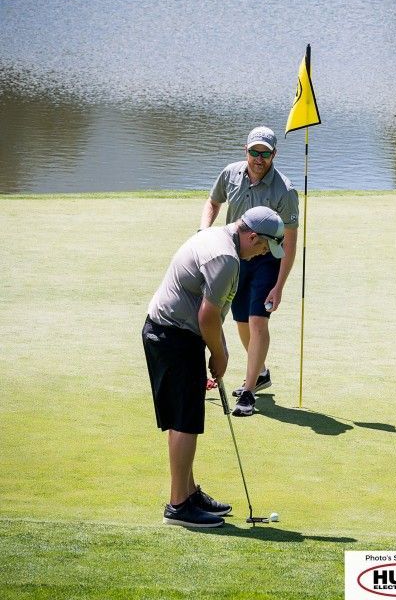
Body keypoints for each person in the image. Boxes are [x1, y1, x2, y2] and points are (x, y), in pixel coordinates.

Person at [142, 206, 285, 531]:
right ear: (252, 236)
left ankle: (188, 493)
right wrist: (220, 356)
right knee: (185, 421)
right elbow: (207, 316)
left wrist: (216, 347)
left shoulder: (218, 238)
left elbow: (211, 310)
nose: (262, 254)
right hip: (173, 335)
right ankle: (178, 505)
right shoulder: (226, 259)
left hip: (174, 332)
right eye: (264, 247)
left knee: (185, 417)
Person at [200, 125, 298, 417]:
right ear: (246, 151)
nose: (259, 158)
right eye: (254, 152)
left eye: (265, 154)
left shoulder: (285, 191)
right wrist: (205, 232)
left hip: (267, 261)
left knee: (257, 323)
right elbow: (213, 202)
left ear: (274, 155)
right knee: (241, 322)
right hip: (235, 258)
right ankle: (262, 372)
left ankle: (249, 392)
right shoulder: (230, 174)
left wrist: (279, 286)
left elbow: (290, 242)